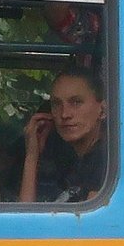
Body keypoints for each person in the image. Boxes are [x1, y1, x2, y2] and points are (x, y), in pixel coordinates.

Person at [19, 67, 107, 203]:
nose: (65, 114)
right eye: (57, 104)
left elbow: (92, 223)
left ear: (102, 110)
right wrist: (32, 156)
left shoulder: (107, 161)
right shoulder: (67, 159)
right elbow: (25, 216)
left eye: (76, 102)